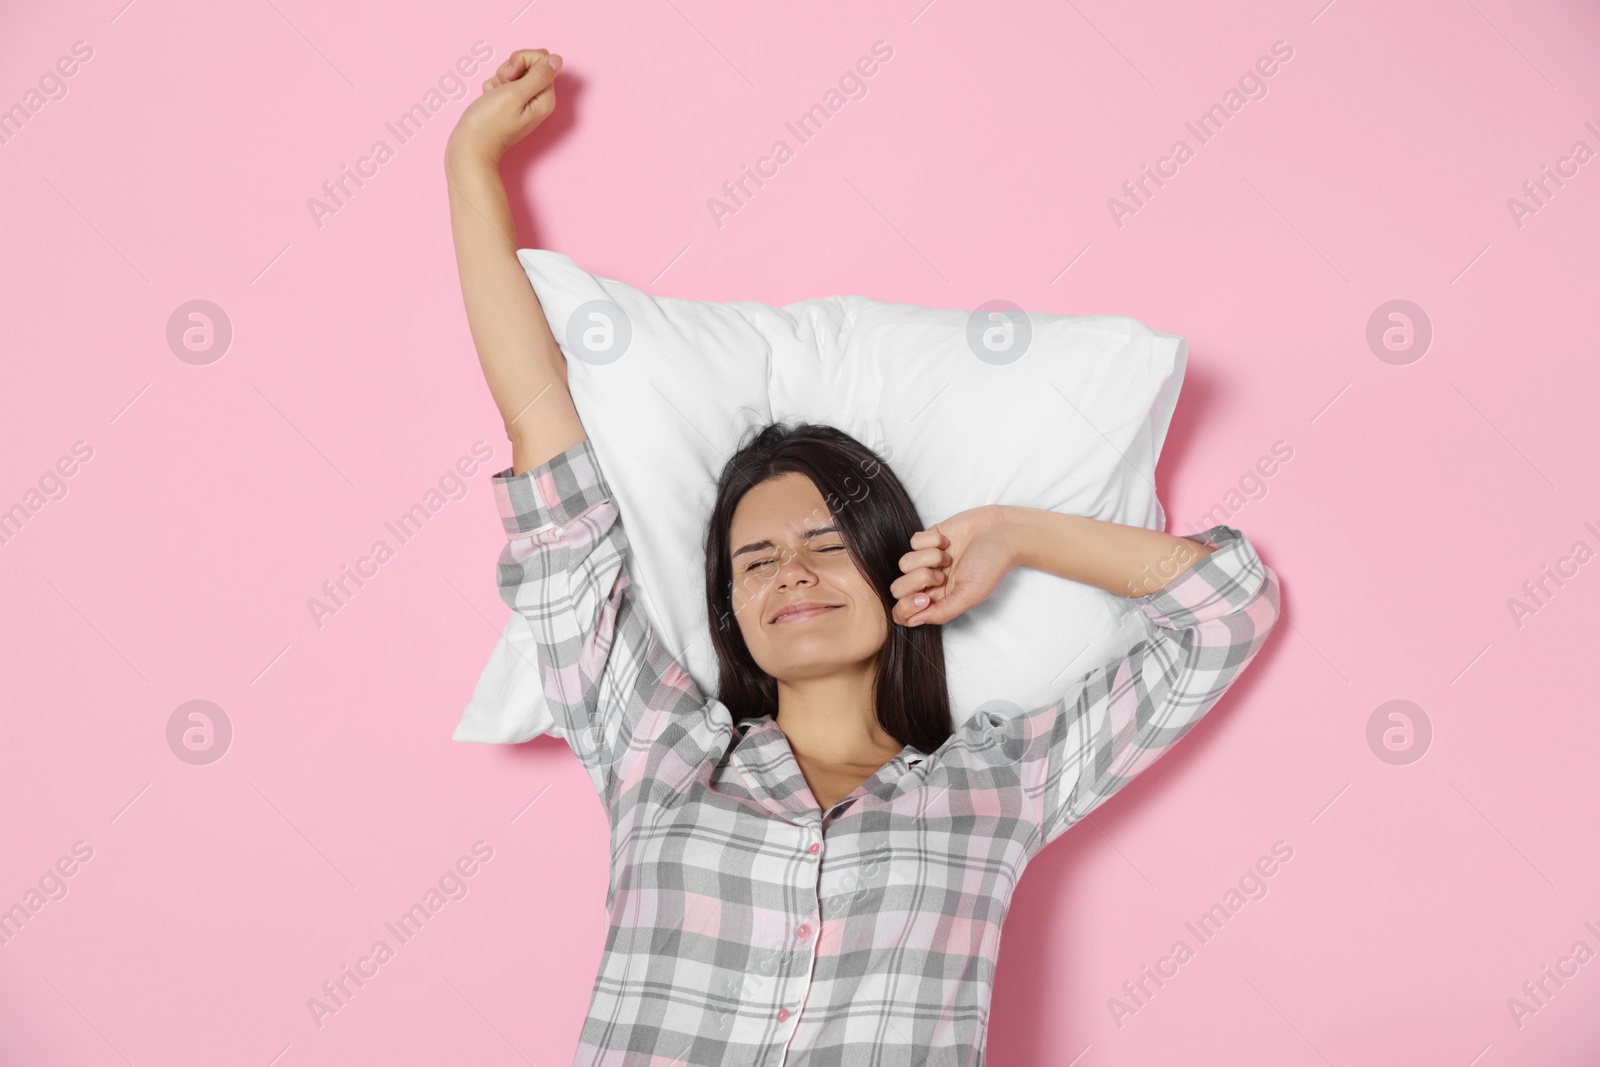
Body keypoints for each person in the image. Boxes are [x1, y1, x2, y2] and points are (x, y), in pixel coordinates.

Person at [447, 48, 1282, 1067]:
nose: (788, 571)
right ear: (730, 610)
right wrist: (468, 167)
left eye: (825, 543)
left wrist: (1017, 532)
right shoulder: (653, 744)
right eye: (752, 561)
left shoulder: (997, 781)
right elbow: (548, 458)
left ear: (896, 572)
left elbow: (1224, 608)